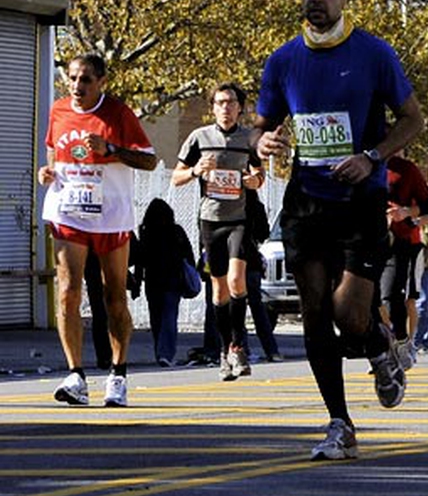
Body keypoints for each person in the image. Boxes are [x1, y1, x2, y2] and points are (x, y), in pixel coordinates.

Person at [256, 0, 425, 460]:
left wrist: (371, 156)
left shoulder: (374, 54)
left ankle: (378, 345)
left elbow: (413, 119)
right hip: (306, 200)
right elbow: (263, 126)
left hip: (360, 200)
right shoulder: (283, 60)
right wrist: (263, 143)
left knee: (348, 312)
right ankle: (339, 422)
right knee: (312, 311)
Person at [40, 52, 159, 408]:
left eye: (86, 79)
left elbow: (150, 161)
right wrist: (47, 172)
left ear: (102, 82)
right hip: (69, 211)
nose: (77, 86)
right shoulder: (59, 110)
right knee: (67, 292)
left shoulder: (119, 114)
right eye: (73, 78)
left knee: (113, 296)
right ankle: (75, 374)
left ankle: (117, 374)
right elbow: (52, 150)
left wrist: (111, 149)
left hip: (110, 215)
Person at [172, 81, 266, 380]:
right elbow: (176, 177)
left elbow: (258, 174)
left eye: (231, 102)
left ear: (240, 107)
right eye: (220, 102)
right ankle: (226, 349)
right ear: (212, 107)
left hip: (239, 218)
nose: (225, 108)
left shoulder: (249, 138)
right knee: (219, 288)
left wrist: (255, 181)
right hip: (210, 220)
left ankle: (238, 346)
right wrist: (196, 171)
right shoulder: (199, 138)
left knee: (239, 282)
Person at [378, 151, 428, 371]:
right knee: (372, 300)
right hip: (369, 240)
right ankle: (385, 346)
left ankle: (403, 341)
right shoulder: (361, 165)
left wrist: (406, 213)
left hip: (402, 241)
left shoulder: (406, 169)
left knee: (398, 296)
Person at [129, 197, 195, 367]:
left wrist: (136, 283)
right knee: (169, 318)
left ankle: (160, 352)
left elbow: (139, 259)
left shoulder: (146, 231)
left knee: (156, 318)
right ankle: (166, 352)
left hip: (153, 281)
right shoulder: (176, 231)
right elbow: (188, 255)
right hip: (173, 280)